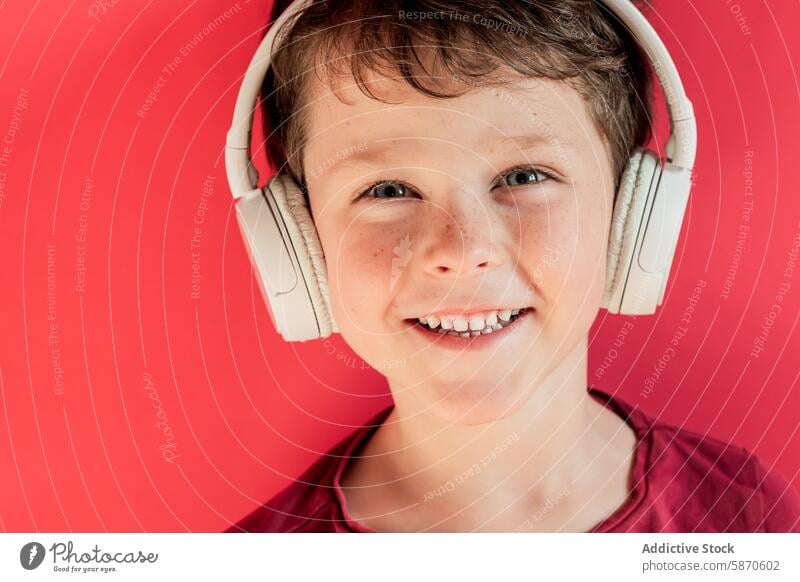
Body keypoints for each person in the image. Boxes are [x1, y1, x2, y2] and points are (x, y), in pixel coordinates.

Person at [225, 0, 800, 532]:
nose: (460, 249)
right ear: (295, 233)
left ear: (634, 210)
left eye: (524, 177)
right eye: (388, 188)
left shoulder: (748, 514)